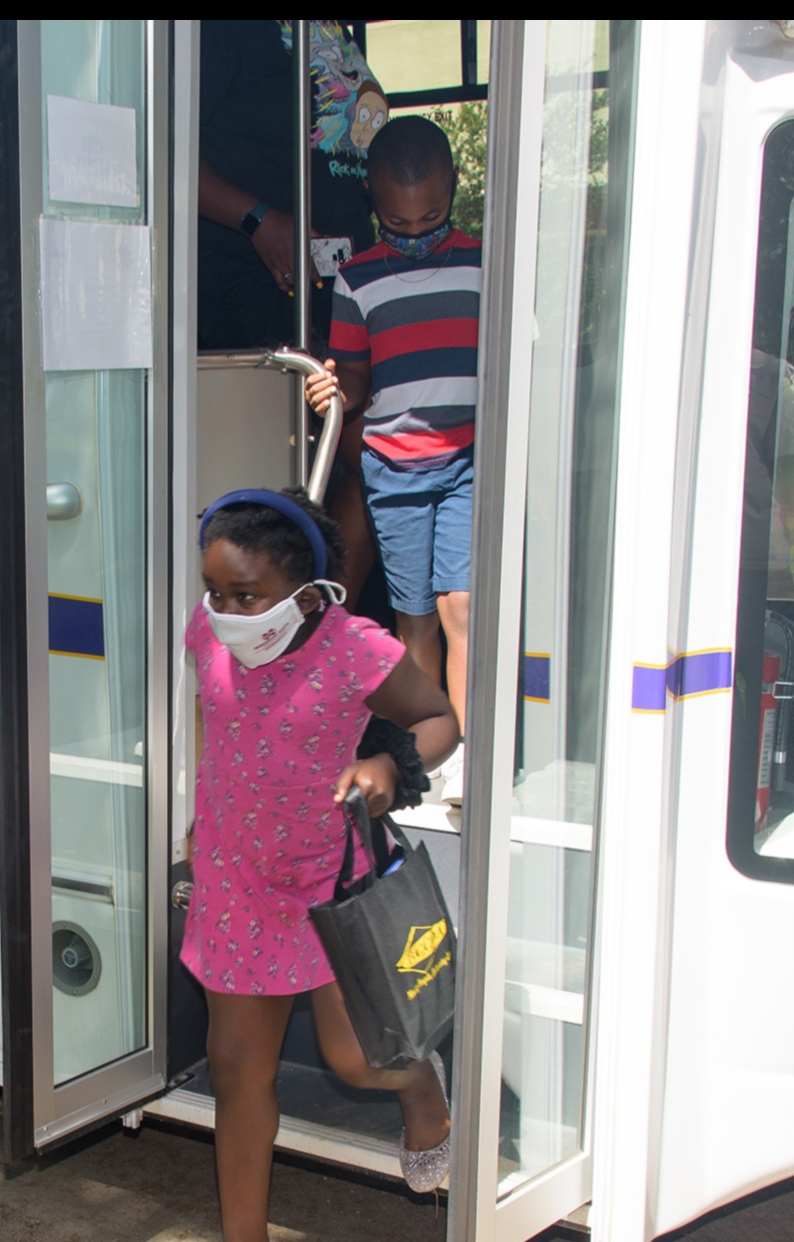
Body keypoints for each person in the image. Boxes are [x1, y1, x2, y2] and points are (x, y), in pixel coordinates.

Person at [177, 486, 459, 1242]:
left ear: (305, 591)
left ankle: (420, 1091)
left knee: (354, 1061)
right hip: (235, 876)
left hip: (327, 881)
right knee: (237, 1073)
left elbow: (441, 717)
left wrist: (386, 761)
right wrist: (199, 820)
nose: (223, 611)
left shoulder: (356, 650)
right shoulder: (205, 633)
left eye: (244, 594)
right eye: (215, 590)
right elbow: (215, 722)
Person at [308, 115, 480, 803]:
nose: (416, 236)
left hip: (467, 460)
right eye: (398, 224)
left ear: (454, 194)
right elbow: (352, 379)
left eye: (431, 218)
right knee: (413, 622)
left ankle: (467, 752)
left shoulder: (481, 261)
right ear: (375, 209)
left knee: (462, 607)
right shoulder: (357, 280)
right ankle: (422, 755)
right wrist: (330, 390)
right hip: (393, 470)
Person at [197, 21, 383, 352]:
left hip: (341, 292)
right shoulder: (223, 30)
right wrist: (258, 222)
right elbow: (167, 153)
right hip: (259, 297)